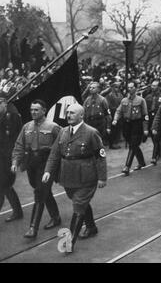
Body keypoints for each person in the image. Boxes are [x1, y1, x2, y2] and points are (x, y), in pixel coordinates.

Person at [42, 103, 107, 253]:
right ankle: (91, 227)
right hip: (67, 176)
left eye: (72, 113)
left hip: (86, 176)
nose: (68, 115)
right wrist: (48, 171)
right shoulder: (63, 132)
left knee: (78, 204)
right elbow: (54, 154)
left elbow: (100, 156)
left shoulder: (91, 133)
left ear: (81, 116)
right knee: (79, 202)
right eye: (67, 113)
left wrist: (102, 177)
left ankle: (68, 242)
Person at [11, 100, 61, 238]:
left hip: (47, 164)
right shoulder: (27, 127)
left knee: (39, 193)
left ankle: (33, 228)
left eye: (36, 110)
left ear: (44, 110)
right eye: (32, 109)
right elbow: (19, 145)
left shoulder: (53, 127)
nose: (33, 112)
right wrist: (15, 161)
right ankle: (56, 217)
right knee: (41, 189)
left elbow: (62, 146)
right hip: (31, 164)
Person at [113, 82, 149, 176]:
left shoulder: (141, 100)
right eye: (128, 87)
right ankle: (141, 162)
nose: (130, 89)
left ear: (135, 89)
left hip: (137, 124)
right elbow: (119, 111)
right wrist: (115, 119)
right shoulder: (124, 100)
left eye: (132, 87)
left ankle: (127, 167)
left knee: (133, 145)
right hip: (127, 125)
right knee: (133, 144)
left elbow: (145, 115)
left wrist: (145, 128)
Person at [0, 91, 23, 222]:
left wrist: (15, 158)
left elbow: (17, 138)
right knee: (5, 185)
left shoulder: (12, 116)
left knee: (3, 185)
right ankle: (18, 211)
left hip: (8, 157)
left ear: (4, 102)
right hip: (1, 156)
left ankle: (18, 211)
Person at [144, 80, 161, 164]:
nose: (153, 87)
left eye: (155, 86)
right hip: (150, 118)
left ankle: (154, 157)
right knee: (153, 137)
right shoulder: (148, 97)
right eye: (152, 85)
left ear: (158, 87)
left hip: (158, 118)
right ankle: (158, 152)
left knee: (156, 138)